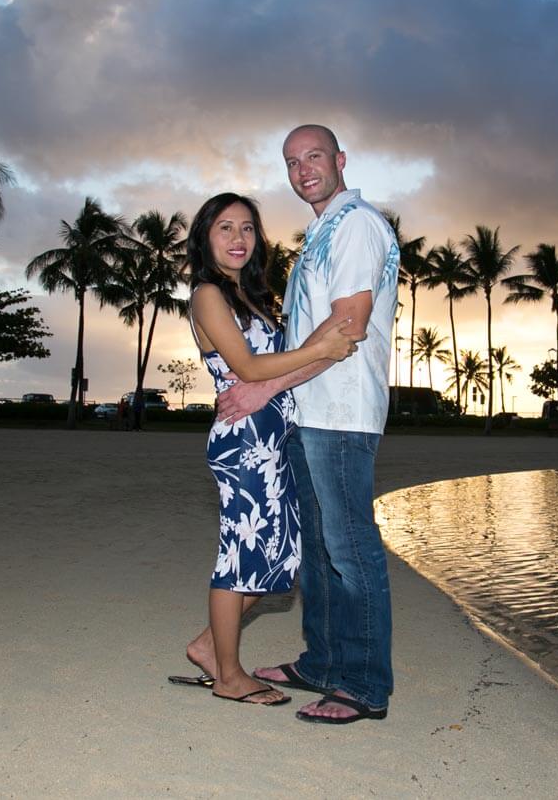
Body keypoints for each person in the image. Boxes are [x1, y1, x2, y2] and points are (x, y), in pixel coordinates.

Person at [217, 125, 400, 724]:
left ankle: (364, 683)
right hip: (309, 408)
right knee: (319, 552)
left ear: (340, 160)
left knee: (351, 549)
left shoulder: (356, 225)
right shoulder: (321, 232)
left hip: (342, 412)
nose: (303, 170)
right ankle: (322, 661)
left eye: (314, 157)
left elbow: (347, 326)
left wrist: (263, 387)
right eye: (292, 162)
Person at [168, 191, 361, 707]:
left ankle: (210, 645)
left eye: (247, 228)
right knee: (239, 559)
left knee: (281, 557)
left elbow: (275, 364)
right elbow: (250, 370)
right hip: (244, 442)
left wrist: (327, 336)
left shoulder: (249, 296)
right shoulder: (208, 294)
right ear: (205, 239)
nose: (238, 238)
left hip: (273, 438)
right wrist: (322, 347)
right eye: (225, 228)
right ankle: (229, 676)